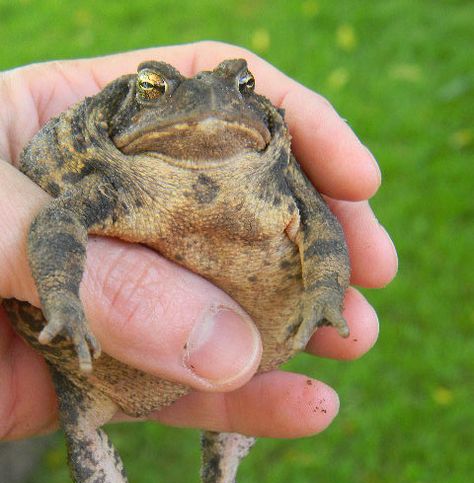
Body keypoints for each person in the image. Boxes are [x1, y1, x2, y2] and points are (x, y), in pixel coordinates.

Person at [0, 41, 397, 441]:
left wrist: (326, 292)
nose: (209, 103)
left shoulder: (271, 173)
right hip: (95, 363)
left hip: (255, 328)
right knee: (88, 443)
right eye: (154, 90)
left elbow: (320, 226)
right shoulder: (113, 183)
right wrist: (62, 297)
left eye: (243, 86)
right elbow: (59, 220)